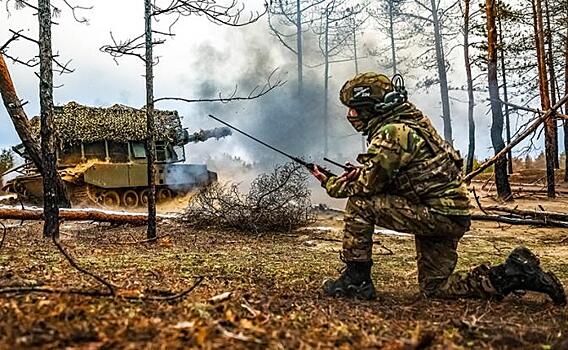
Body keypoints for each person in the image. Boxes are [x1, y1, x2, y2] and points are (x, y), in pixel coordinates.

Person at [310, 72, 566, 305]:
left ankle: (357, 281)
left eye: (355, 109)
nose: (350, 115)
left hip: (436, 214)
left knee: (360, 204)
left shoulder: (393, 132)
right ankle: (513, 274)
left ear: (373, 108)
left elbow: (367, 187)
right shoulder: (412, 122)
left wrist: (330, 182)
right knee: (436, 288)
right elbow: (404, 175)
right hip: (447, 214)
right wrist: (366, 174)